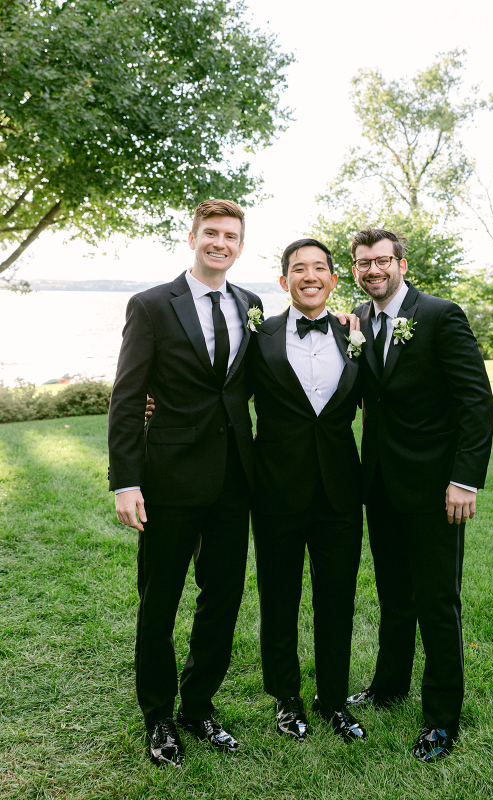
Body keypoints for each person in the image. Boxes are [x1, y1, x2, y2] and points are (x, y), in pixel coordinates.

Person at [108, 199, 262, 767]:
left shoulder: (251, 304)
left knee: (222, 599)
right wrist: (125, 482)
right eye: (211, 233)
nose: (220, 243)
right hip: (168, 477)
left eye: (231, 236)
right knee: (160, 601)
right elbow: (126, 397)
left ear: (241, 246)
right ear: (192, 237)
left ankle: (199, 707)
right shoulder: (151, 305)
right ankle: (159, 717)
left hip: (233, 479)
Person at [345, 228, 493, 762]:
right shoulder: (358, 323)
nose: (373, 270)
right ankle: (389, 686)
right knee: (393, 596)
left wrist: (465, 478)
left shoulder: (440, 315)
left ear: (401, 264)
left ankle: (441, 718)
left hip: (436, 488)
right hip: (380, 484)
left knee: (437, 600)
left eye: (382, 260)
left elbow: (476, 402)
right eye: (363, 263)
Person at [248, 239, 367, 743]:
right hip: (275, 489)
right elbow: (221, 395)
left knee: (338, 598)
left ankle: (334, 700)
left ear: (334, 280)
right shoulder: (260, 338)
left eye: (320, 268)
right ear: (284, 282)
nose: (310, 276)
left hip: (340, 490)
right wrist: (153, 404)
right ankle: (287, 698)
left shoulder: (355, 336)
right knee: (279, 598)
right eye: (299, 269)